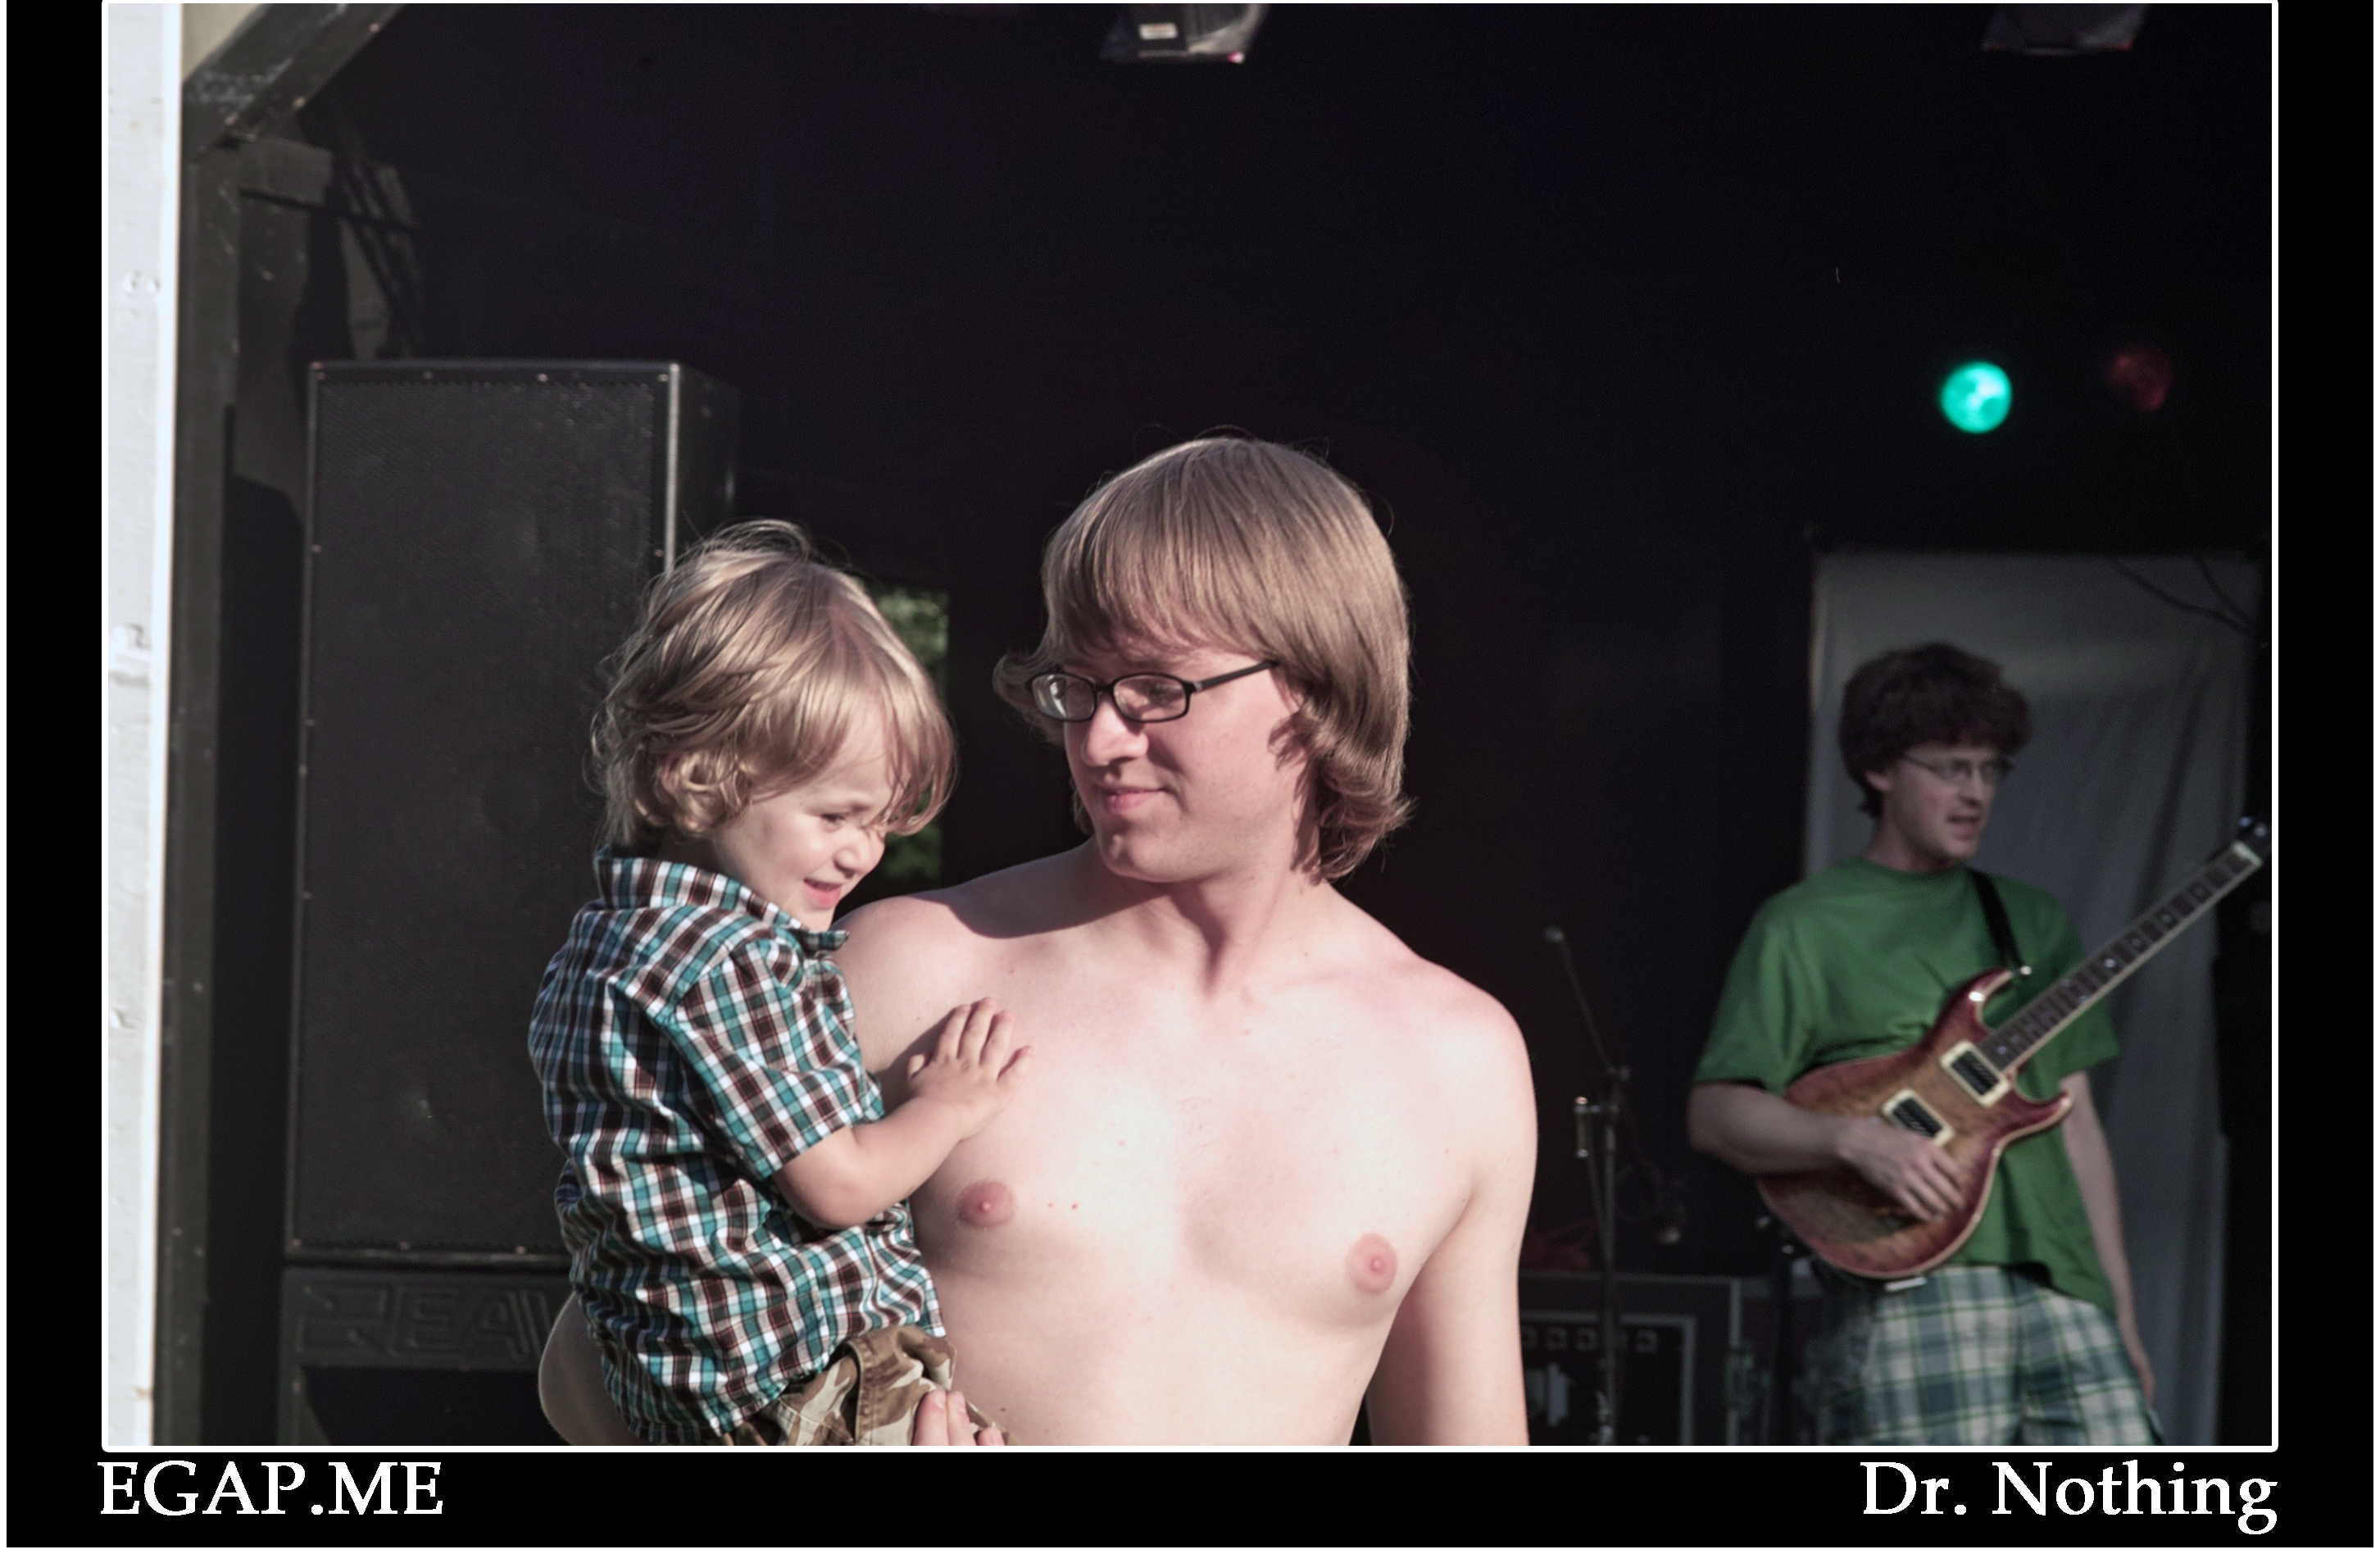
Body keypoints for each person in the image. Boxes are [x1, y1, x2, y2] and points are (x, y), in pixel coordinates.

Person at [545, 435, 1536, 1445]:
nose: (1100, 739)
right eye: (1078, 688)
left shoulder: (1458, 1060)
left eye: (1156, 688)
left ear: (1318, 686)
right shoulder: (902, 967)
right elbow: (595, 1366)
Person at [529, 520, 1029, 1446]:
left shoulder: (593, 952)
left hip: (677, 1395)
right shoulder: (730, 959)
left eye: (880, 822)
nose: (863, 852)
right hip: (809, 1390)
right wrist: (944, 1106)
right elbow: (838, 1185)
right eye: (835, 815)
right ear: (695, 778)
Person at [1686, 643, 2158, 1446]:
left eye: (1990, 769)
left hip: (2065, 1290)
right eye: (1951, 767)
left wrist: (2121, 1311)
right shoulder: (1803, 924)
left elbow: (2077, 1124)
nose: (1977, 792)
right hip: (1916, 1288)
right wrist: (1856, 1140)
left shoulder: (2030, 919)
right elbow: (1715, 1114)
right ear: (1879, 768)